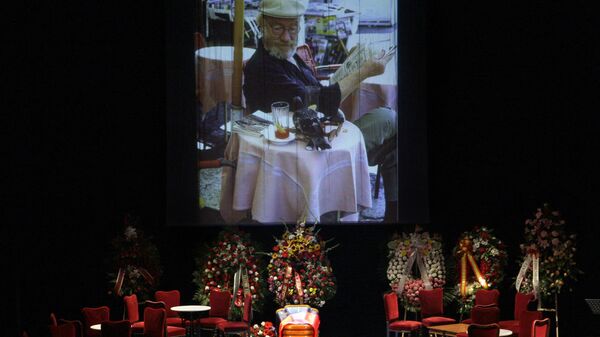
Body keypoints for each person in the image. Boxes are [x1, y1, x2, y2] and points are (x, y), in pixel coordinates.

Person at [243, 0, 398, 222]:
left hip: (321, 136)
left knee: (393, 134)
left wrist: (352, 65)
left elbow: (318, 91)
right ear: (262, 26)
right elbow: (319, 103)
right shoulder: (265, 67)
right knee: (390, 121)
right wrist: (363, 72)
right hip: (311, 153)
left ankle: (394, 214)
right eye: (278, 28)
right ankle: (394, 217)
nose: (287, 37)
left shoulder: (286, 55)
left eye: (292, 28)